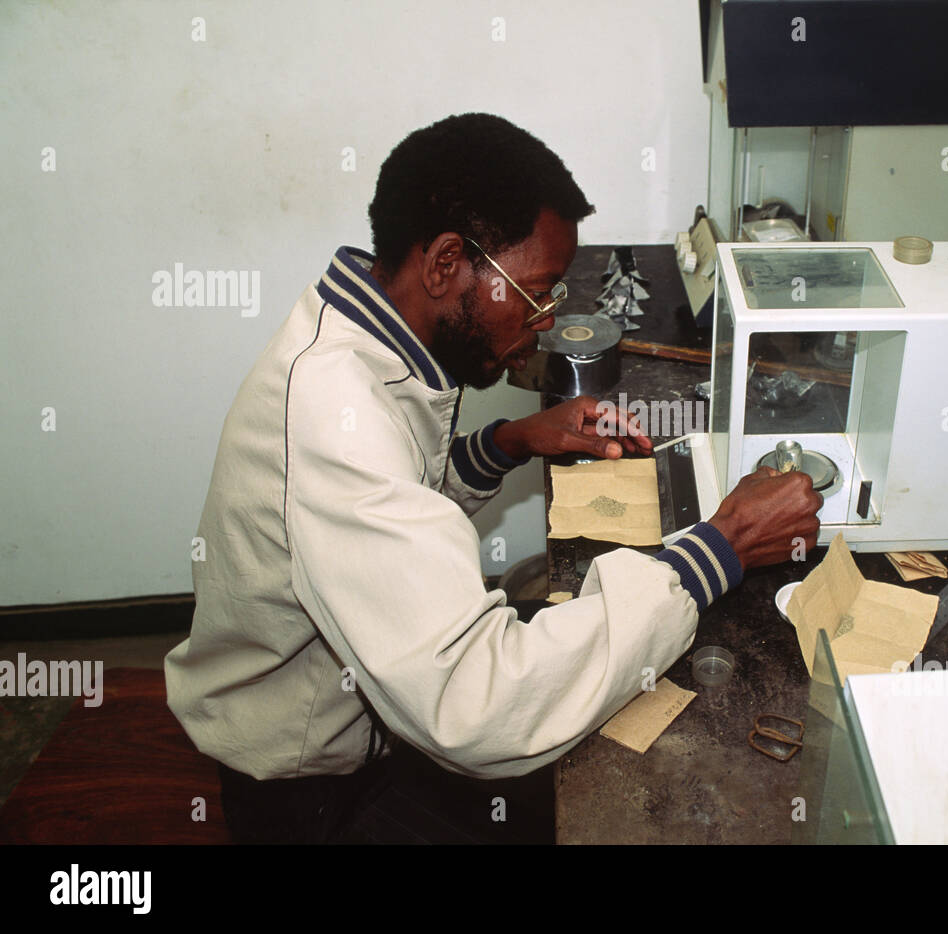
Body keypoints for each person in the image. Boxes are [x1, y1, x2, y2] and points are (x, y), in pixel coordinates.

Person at [164, 113, 821, 844]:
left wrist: (509, 441)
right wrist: (717, 549)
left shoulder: (366, 336)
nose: (543, 322)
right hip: (311, 790)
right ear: (446, 263)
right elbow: (476, 704)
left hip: (371, 712)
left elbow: (393, 515)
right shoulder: (331, 412)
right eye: (537, 293)